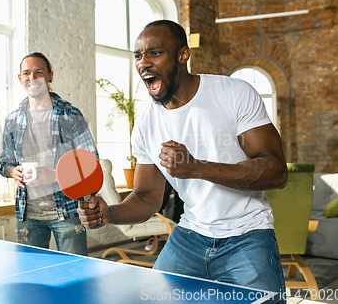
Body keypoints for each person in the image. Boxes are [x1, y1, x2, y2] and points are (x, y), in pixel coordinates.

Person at [78, 20, 288, 299]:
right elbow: (146, 197)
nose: (144, 63)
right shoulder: (146, 125)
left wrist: (197, 168)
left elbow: (276, 170)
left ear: (182, 55)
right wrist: (110, 213)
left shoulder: (233, 94)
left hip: (248, 237)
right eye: (138, 56)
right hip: (190, 237)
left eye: (154, 53)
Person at [0, 52, 98, 256]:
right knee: (32, 278)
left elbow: (91, 163)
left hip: (68, 212)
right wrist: (11, 171)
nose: (32, 78)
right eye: (26, 73)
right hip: (27, 215)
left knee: (74, 274)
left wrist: (54, 175)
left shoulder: (71, 115)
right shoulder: (13, 120)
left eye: (38, 72)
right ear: (20, 78)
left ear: (50, 75)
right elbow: (3, 161)